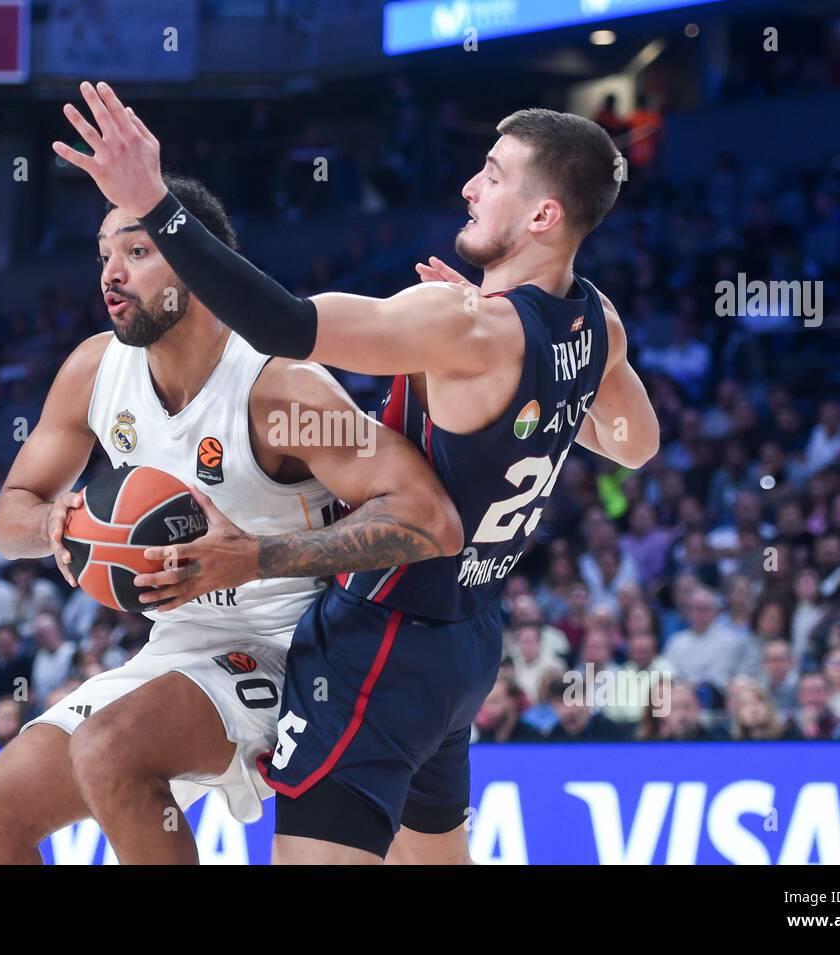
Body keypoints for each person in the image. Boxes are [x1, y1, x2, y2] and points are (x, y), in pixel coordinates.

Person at [57, 83, 659, 863]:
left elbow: (282, 324)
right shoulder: (596, 320)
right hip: (467, 640)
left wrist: (156, 204)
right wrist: (515, 386)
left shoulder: (462, 324)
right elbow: (633, 442)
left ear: (543, 216)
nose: (470, 187)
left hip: (381, 637)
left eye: (494, 173)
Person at [0, 174, 461, 866]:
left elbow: (428, 519)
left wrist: (253, 556)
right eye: (103, 254)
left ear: (198, 263)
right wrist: (50, 526)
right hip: (182, 641)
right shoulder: (94, 370)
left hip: (298, 644)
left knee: (110, 750)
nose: (111, 273)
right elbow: (11, 513)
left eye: (136, 251)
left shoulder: (279, 385)